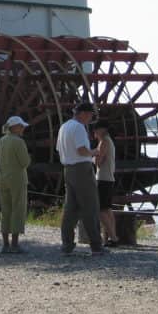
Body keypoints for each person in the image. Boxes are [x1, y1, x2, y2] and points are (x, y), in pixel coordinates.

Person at [55, 101, 105, 255]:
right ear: (83, 113)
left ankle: (67, 244)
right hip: (81, 169)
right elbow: (82, 150)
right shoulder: (78, 127)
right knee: (90, 207)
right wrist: (94, 152)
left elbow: (58, 149)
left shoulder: (64, 127)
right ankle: (96, 246)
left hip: (68, 170)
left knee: (70, 208)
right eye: (90, 115)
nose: (90, 118)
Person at [0, 115, 31, 254]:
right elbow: (25, 162)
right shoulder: (19, 142)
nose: (23, 128)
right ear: (15, 127)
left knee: (5, 210)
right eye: (21, 126)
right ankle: (15, 244)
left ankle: (5, 244)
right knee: (17, 208)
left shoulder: (2, 140)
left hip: (2, 177)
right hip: (17, 179)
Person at [93, 120, 118, 247]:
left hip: (102, 178)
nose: (94, 132)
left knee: (101, 210)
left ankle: (112, 238)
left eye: (96, 130)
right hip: (109, 178)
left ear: (101, 130)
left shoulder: (104, 142)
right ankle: (110, 238)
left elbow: (98, 161)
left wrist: (91, 156)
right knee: (108, 209)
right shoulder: (109, 141)